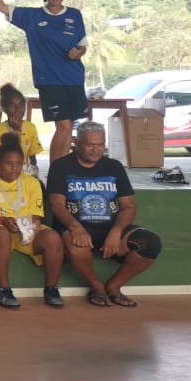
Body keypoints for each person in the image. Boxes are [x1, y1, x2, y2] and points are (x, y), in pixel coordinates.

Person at [49, 121, 161, 308]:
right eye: (90, 145)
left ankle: (114, 286)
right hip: (76, 227)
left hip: (109, 228)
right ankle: (96, 286)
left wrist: (116, 232)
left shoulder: (114, 167)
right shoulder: (61, 166)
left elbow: (129, 206)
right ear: (76, 143)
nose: (96, 150)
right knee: (75, 243)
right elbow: (56, 204)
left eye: (100, 145)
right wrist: (76, 227)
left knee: (151, 242)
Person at [0, 0, 89, 162]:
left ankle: (62, 169)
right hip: (50, 80)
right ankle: (55, 171)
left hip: (74, 78)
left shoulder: (75, 15)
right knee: (63, 126)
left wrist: (78, 53)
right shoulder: (32, 16)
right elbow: (0, 6)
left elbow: (83, 45)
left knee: (69, 126)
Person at [0, 134, 65, 309]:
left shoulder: (31, 183)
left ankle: (51, 288)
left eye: (19, 164)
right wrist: (2, 220)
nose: (14, 169)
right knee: (1, 233)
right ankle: (4, 290)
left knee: (52, 238)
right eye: (9, 164)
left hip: (25, 229)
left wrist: (28, 225)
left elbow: (37, 214)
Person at [0, 83, 44, 171]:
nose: (18, 109)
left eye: (21, 104)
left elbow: (32, 157)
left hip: (24, 171)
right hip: (4, 172)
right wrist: (17, 131)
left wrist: (33, 170)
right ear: (4, 109)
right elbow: (3, 159)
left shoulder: (30, 127)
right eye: (13, 106)